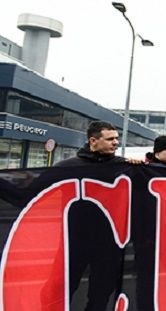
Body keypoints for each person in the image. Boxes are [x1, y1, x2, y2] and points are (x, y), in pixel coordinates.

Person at [55, 121, 139, 310]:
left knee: (101, 294)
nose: (116, 143)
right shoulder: (67, 167)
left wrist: (144, 168)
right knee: (63, 289)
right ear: (93, 141)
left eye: (117, 138)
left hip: (108, 244)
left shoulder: (123, 166)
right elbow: (32, 190)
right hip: (73, 241)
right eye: (110, 139)